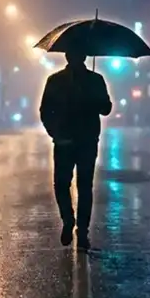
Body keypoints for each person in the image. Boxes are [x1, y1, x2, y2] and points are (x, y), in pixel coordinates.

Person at [39, 52, 113, 250]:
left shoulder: (56, 80)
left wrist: (55, 132)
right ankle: (80, 230)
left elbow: (45, 111)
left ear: (66, 56)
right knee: (84, 186)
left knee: (63, 184)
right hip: (84, 141)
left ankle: (70, 222)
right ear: (85, 56)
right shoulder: (94, 80)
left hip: (70, 141)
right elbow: (106, 108)